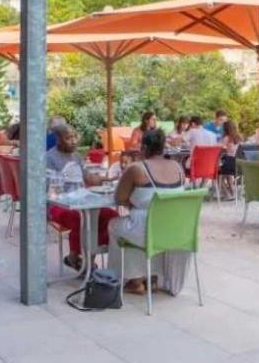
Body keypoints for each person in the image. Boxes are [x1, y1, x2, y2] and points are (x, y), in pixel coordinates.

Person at [108, 128, 189, 295]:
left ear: (143, 147)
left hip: (148, 229)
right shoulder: (178, 167)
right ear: (163, 147)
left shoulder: (137, 169)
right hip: (177, 230)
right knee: (142, 225)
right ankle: (152, 276)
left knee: (117, 226)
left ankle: (134, 280)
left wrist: (135, 206)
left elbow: (119, 198)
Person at [46, 124, 118, 271]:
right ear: (58, 139)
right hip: (58, 205)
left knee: (111, 215)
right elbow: (49, 189)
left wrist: (109, 179)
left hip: (81, 202)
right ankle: (77, 258)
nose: (73, 141)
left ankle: (88, 258)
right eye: (68, 138)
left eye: (75, 137)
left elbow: (89, 178)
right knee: (81, 218)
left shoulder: (76, 156)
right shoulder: (49, 158)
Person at [218, 120, 242, 200]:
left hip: (228, 163)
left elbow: (220, 151)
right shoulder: (239, 138)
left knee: (216, 175)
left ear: (225, 129)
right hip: (237, 164)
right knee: (227, 173)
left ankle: (227, 194)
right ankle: (233, 192)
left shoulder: (226, 138)